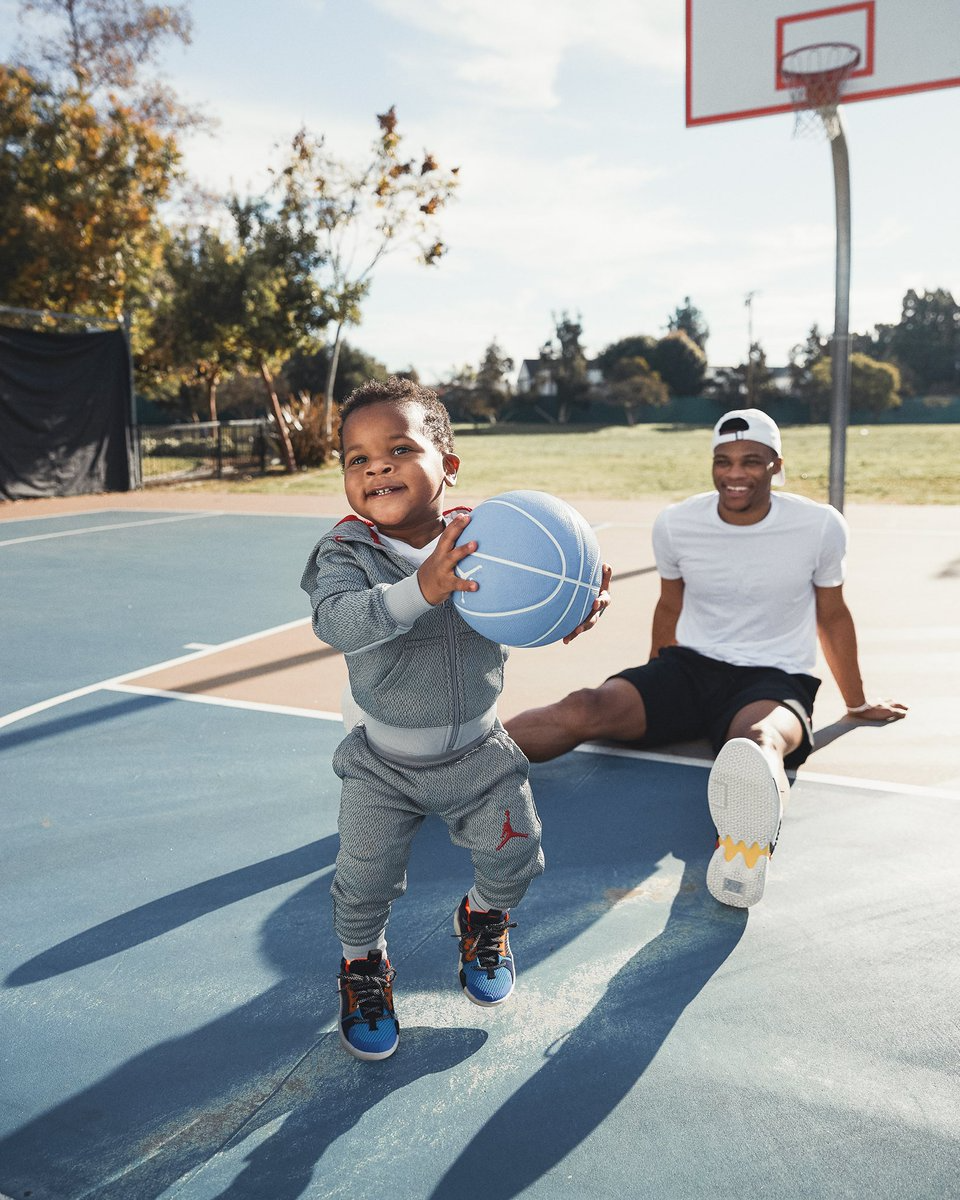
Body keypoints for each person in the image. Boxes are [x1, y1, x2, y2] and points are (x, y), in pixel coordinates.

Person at [300, 377, 604, 1062]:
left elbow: (531, 606)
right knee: (364, 879)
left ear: (448, 466)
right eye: (357, 457)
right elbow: (336, 621)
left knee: (516, 855)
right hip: (382, 762)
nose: (376, 465)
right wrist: (420, 589)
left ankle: (483, 919)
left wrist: (568, 604)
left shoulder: (489, 541)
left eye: (399, 448)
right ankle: (362, 967)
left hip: (480, 751)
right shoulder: (345, 553)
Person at [506, 408, 907, 910]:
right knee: (587, 705)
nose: (735, 474)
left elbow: (833, 615)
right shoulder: (677, 523)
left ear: (775, 465)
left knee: (756, 742)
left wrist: (857, 701)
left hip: (775, 677)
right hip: (688, 667)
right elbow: (670, 604)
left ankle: (742, 849)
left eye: (751, 462)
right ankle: (452, 763)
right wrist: (651, 679)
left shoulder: (820, 526)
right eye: (724, 461)